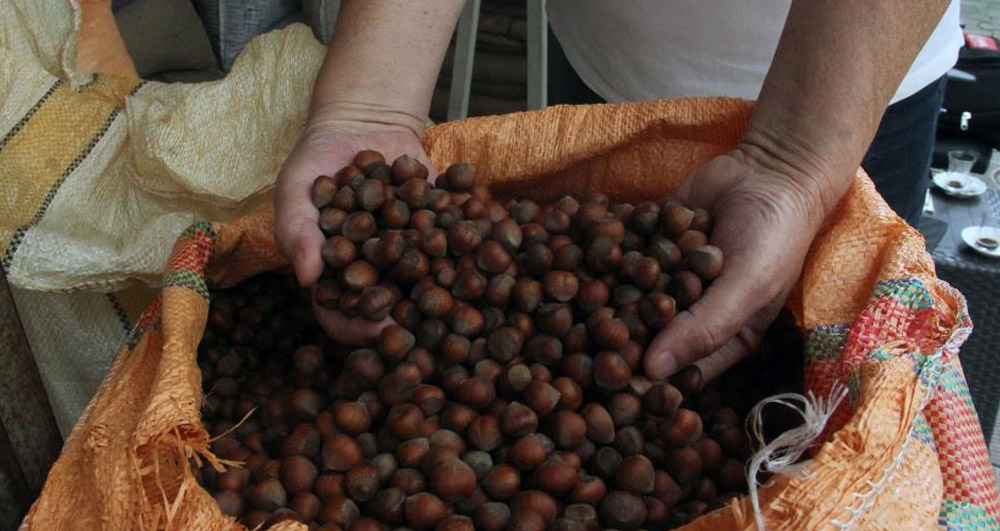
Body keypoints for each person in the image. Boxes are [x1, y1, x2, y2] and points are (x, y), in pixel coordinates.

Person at [274, 0, 958, 383]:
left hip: (856, 80)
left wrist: (797, 160)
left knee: (819, 380)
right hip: (610, 55)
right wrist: (372, 103)